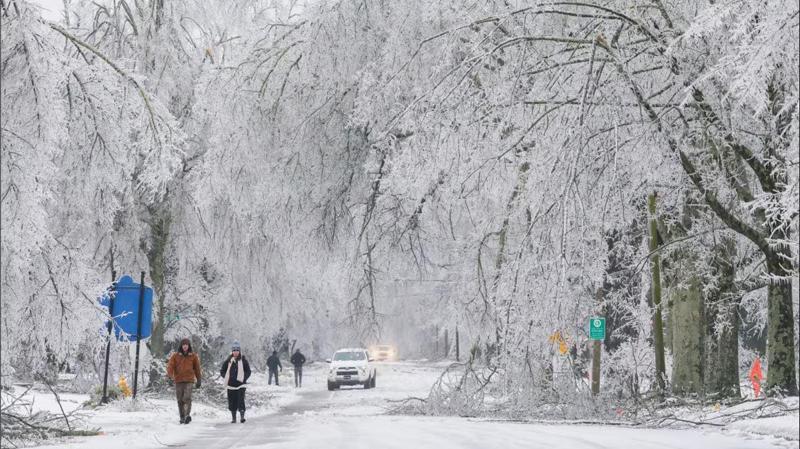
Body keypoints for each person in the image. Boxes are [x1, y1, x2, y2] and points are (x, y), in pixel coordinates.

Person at [167, 338, 202, 424]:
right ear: (181, 346)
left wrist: (199, 380)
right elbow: (170, 367)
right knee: (180, 399)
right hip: (178, 380)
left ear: (189, 346)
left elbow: (197, 369)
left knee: (187, 397)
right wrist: (170, 377)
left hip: (189, 380)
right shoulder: (175, 356)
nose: (185, 346)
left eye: (186, 345)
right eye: (183, 345)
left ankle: (187, 415)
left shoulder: (193, 356)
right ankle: (182, 417)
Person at [219, 341, 251, 423]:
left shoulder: (243, 361)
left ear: (239, 351)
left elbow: (248, 371)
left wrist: (244, 378)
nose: (235, 352)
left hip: (241, 385)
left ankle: (242, 416)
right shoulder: (228, 361)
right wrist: (227, 377)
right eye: (234, 350)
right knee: (232, 401)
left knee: (240, 400)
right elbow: (222, 371)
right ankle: (233, 418)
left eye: (237, 350)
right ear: (232, 351)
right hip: (231, 385)